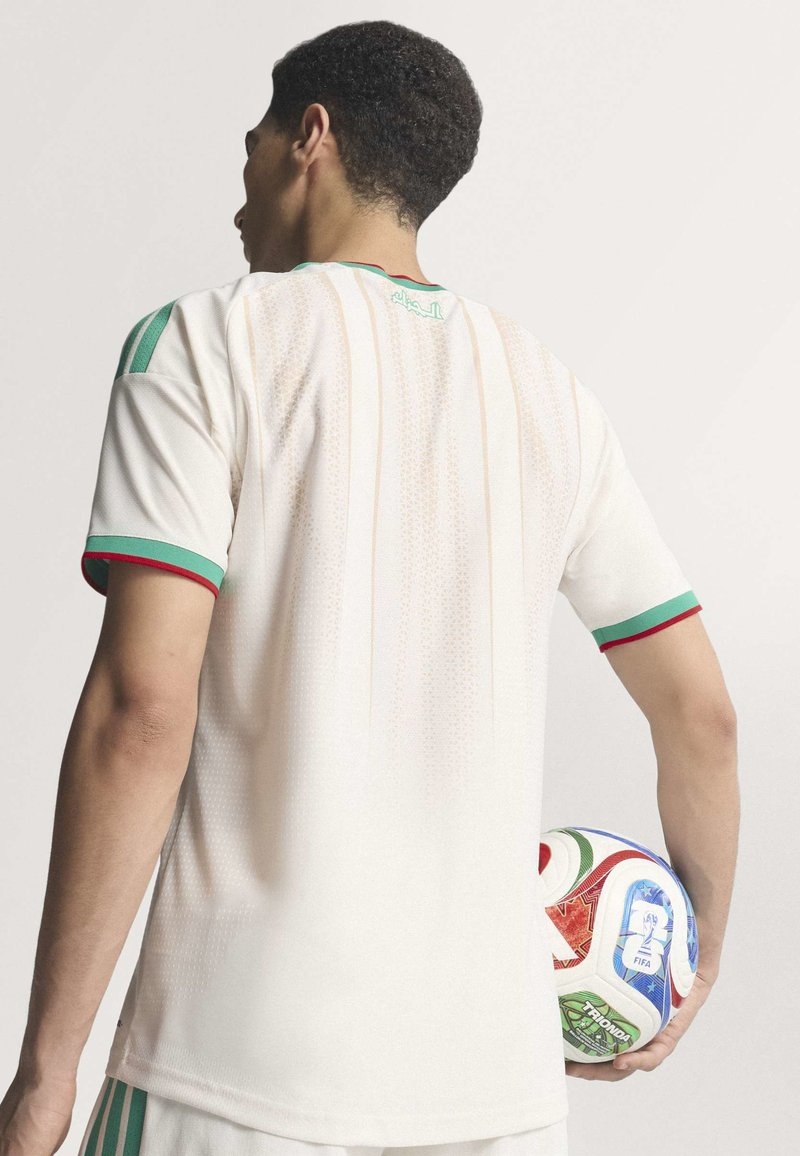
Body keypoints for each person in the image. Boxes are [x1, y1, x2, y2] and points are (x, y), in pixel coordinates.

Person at [0, 18, 739, 1156]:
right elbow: (701, 715)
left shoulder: (204, 345)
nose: (238, 188)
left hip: (237, 1068)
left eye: (250, 145)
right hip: (496, 1092)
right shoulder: (552, 399)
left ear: (311, 136)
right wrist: (694, 965)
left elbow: (140, 712)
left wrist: (45, 1078)